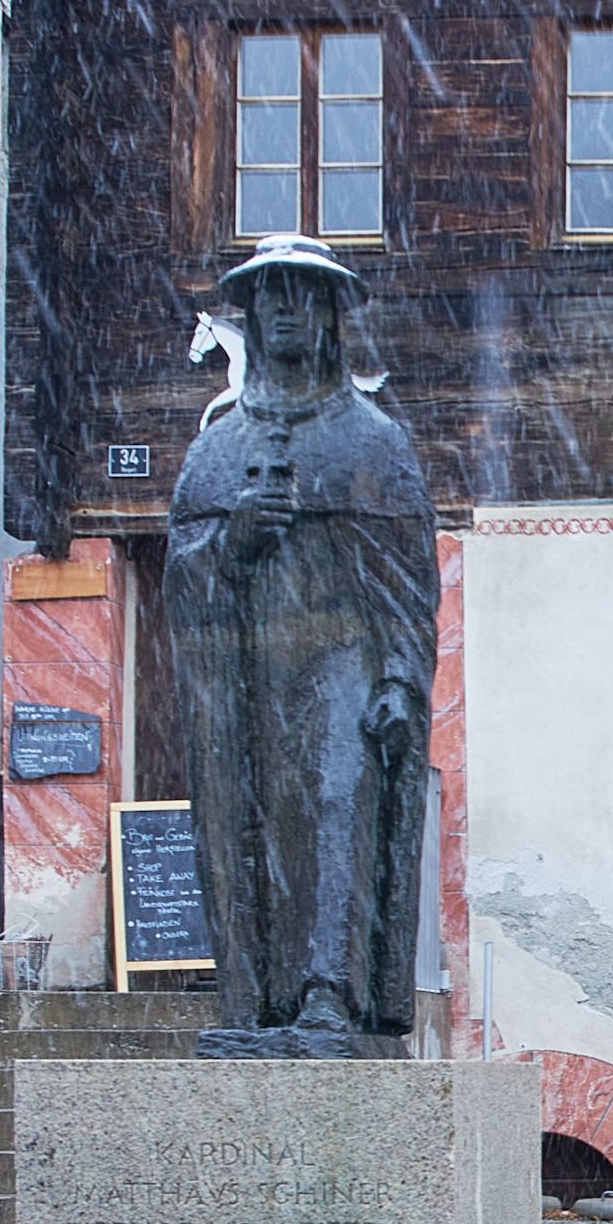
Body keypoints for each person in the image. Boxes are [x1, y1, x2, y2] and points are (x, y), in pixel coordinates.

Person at [165, 234, 436, 1056]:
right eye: (270, 295)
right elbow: (183, 579)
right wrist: (232, 544)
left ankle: (330, 994)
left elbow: (407, 582)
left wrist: (399, 679)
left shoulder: (374, 442)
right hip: (247, 675)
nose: (286, 309)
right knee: (246, 822)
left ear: (329, 316)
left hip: (344, 664)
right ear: (250, 315)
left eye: (304, 295)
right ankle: (255, 1000)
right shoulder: (217, 448)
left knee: (338, 801)